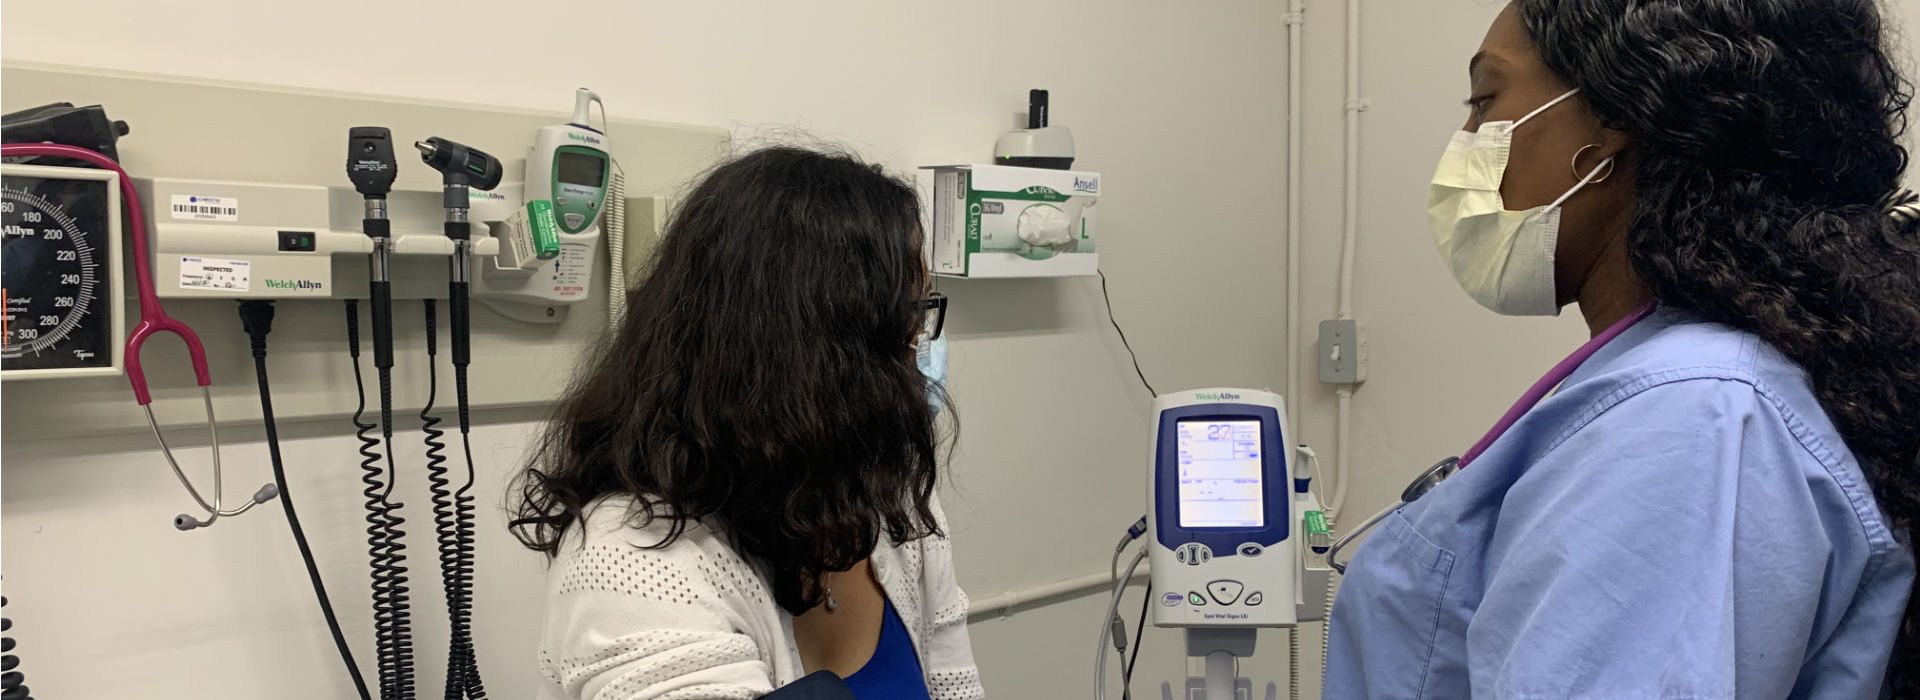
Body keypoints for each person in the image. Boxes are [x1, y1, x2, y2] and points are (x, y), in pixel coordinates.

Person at [1325, 1, 1920, 697]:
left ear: (1612, 125)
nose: (1467, 137)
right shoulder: (1695, 384)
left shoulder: (1692, 420)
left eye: (1486, 100)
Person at [510, 145, 983, 700]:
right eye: (908, 321)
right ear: (816, 360)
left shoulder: (889, 500)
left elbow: (956, 686)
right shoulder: (633, 563)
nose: (920, 349)